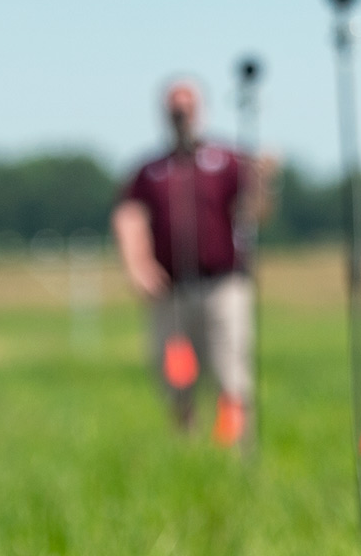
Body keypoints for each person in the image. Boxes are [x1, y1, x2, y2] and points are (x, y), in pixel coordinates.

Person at [112, 76, 269, 446]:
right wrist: (138, 265)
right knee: (177, 377)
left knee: (231, 369)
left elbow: (255, 213)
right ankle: (187, 448)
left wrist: (265, 181)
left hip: (223, 284)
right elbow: (128, 216)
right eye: (173, 109)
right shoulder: (150, 171)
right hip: (171, 290)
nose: (181, 115)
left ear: (201, 110)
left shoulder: (228, 160)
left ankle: (233, 450)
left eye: (187, 107)